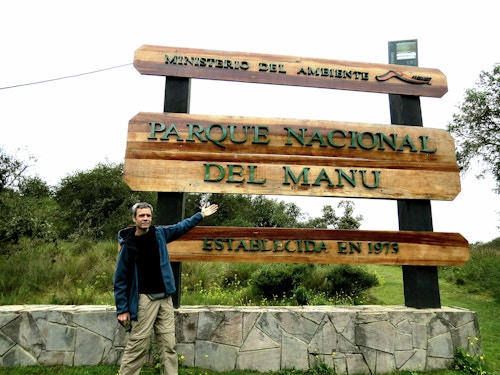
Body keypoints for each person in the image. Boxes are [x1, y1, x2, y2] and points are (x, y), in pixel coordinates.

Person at [114, 201, 218, 375]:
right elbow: (120, 280)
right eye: (141, 216)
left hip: (165, 299)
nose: (145, 219)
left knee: (168, 345)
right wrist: (122, 309)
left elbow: (181, 227)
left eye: (148, 215)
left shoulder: (160, 234)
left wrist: (200, 215)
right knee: (138, 345)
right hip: (144, 300)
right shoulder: (128, 244)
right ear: (134, 218)